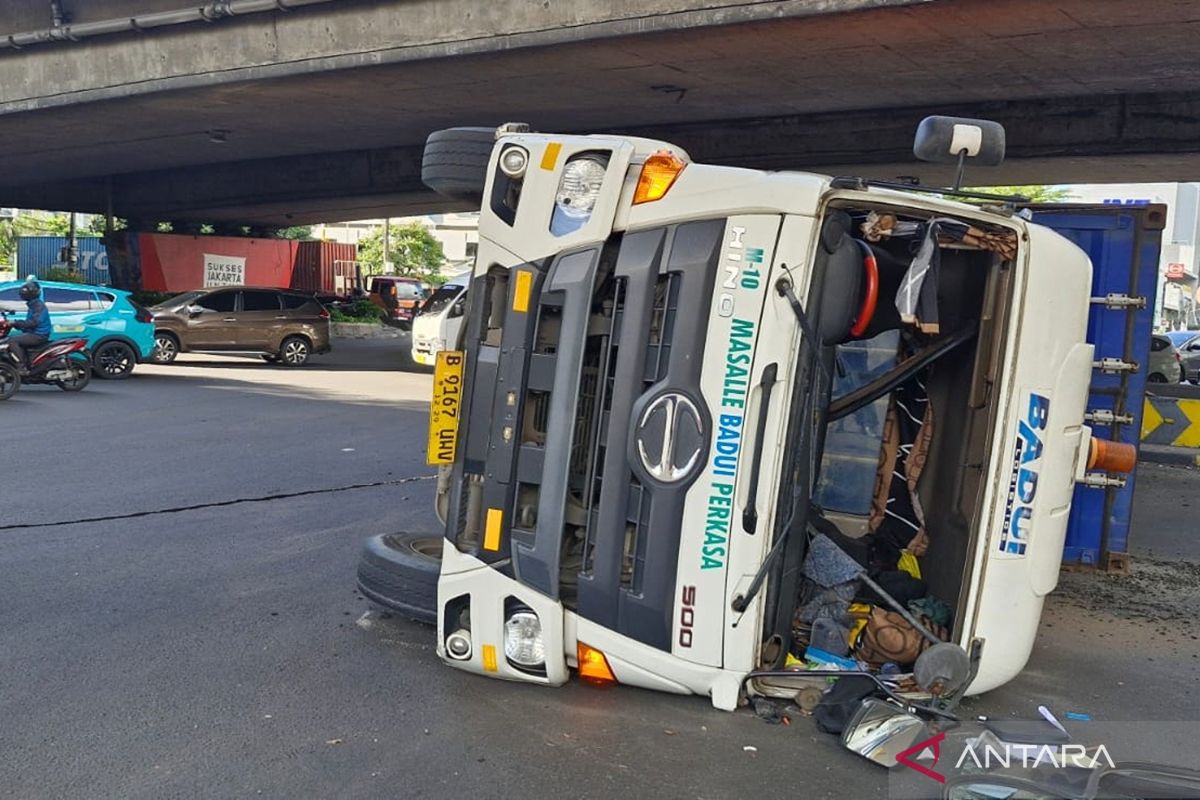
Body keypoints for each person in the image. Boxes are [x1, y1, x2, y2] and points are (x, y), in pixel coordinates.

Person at [7, 280, 52, 372]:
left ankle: (23, 366)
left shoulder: (38, 306)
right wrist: (17, 325)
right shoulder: (33, 304)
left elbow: (33, 323)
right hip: (35, 333)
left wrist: (16, 323)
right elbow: (29, 324)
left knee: (12, 341)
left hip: (39, 335)